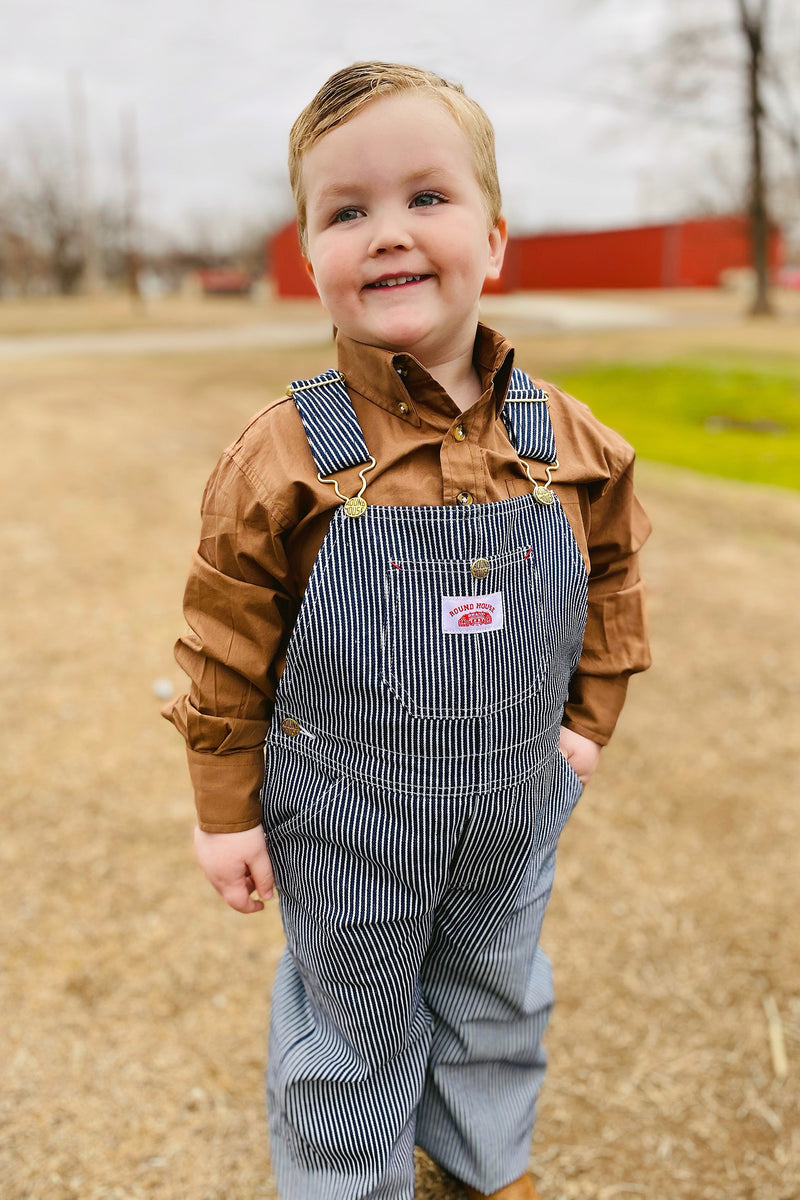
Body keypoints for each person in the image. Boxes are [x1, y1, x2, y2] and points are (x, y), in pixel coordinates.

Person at [163, 62, 651, 1200]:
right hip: (344, 806)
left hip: (512, 799)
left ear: (492, 240)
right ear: (308, 256)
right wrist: (222, 811)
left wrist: (587, 720)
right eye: (347, 210)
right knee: (353, 1016)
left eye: (425, 198)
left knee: (495, 984)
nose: (387, 232)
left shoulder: (568, 439)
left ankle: (483, 1168)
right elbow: (221, 643)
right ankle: (349, 1181)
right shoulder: (284, 454)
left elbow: (615, 571)